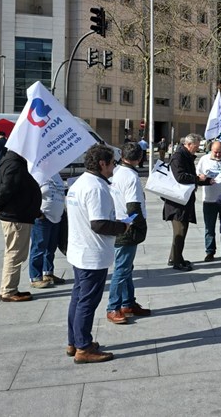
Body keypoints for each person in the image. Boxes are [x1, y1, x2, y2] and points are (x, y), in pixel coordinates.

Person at [65, 144, 131, 363]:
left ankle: (75, 341)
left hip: (80, 250)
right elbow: (99, 224)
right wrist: (122, 226)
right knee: (87, 302)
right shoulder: (96, 188)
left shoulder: (80, 183)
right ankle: (83, 348)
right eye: (112, 163)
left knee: (78, 298)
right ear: (102, 164)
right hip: (92, 253)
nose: (115, 167)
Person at [106, 142, 151, 325]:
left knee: (126, 268)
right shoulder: (131, 177)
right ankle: (113, 307)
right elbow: (133, 207)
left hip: (116, 222)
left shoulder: (116, 171)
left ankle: (128, 303)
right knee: (122, 269)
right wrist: (138, 225)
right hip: (127, 227)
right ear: (140, 158)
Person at [0, 151, 42, 302]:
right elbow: (7, 189)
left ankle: (10, 288)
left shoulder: (12, 162)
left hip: (18, 215)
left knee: (14, 253)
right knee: (15, 254)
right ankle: (9, 290)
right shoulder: (15, 165)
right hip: (16, 217)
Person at [163, 133, 211, 271]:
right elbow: (180, 177)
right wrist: (198, 178)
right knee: (180, 232)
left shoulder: (185, 156)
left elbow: (190, 178)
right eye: (196, 146)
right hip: (177, 203)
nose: (197, 149)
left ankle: (175, 257)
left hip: (182, 201)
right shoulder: (178, 157)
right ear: (189, 145)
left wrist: (206, 181)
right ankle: (177, 262)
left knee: (180, 232)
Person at [197, 140, 221, 262]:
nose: (218, 155)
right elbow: (197, 177)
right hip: (209, 200)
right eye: (215, 152)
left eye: (220, 152)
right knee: (209, 228)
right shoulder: (204, 160)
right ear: (211, 150)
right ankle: (210, 252)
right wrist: (203, 179)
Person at [28, 174, 67, 289]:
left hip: (56, 217)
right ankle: (35, 277)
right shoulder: (36, 175)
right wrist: (38, 214)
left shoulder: (56, 175)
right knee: (39, 247)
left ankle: (48, 273)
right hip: (42, 218)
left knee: (51, 248)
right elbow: (29, 196)